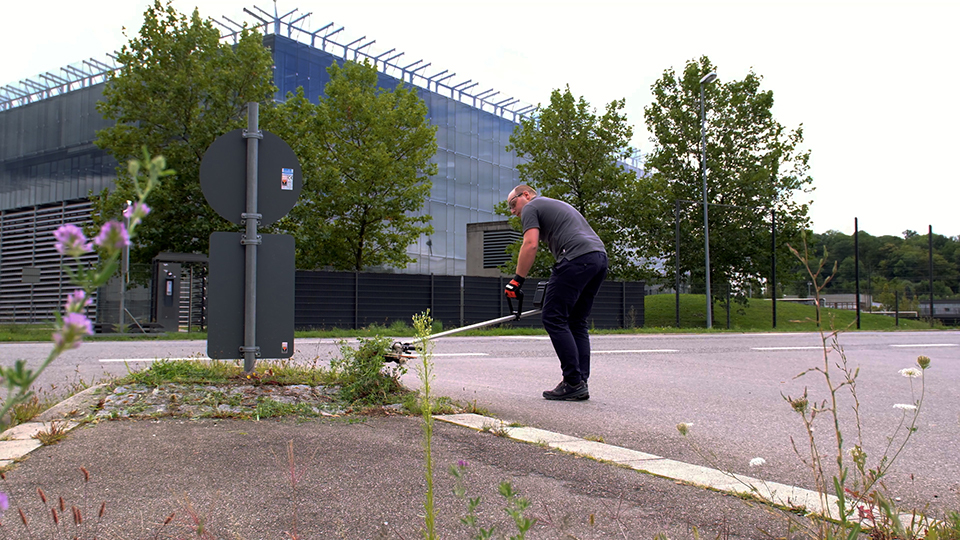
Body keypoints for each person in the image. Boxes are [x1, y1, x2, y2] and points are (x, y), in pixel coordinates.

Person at [505, 185, 608, 401]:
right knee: (576, 321)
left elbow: (530, 244)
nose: (513, 211)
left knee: (553, 317)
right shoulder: (555, 204)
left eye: (513, 204)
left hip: (577, 258)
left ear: (525, 195)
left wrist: (517, 280)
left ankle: (572, 381)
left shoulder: (532, 206)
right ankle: (579, 381)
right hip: (598, 258)